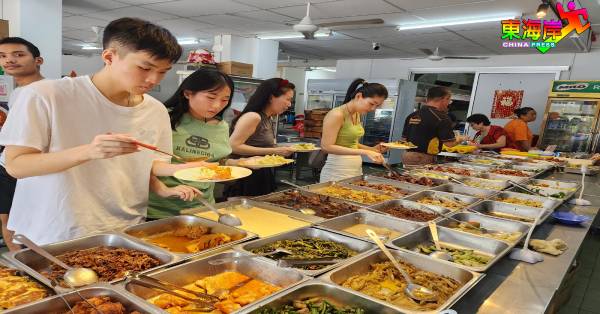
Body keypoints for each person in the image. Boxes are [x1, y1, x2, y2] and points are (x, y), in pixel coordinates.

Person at [0, 18, 201, 245]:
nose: (153, 80)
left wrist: (185, 169)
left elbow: (149, 163)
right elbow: (17, 165)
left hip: (127, 227)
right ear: (109, 57)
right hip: (56, 230)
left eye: (163, 71)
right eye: (144, 68)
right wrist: (89, 151)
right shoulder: (45, 95)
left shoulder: (155, 110)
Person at [148, 69, 249, 218]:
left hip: (203, 207)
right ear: (188, 93)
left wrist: (239, 162)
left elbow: (215, 161)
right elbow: (142, 164)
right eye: (211, 97)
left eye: (224, 100)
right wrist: (163, 189)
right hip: (159, 208)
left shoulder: (221, 126)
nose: (217, 106)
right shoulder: (163, 118)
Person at [0, 37, 45, 251]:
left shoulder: (48, 91)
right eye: (3, 56)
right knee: (7, 220)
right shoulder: (17, 92)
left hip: (32, 168)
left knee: (32, 223)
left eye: (18, 54)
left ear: (38, 60)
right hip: (6, 166)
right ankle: (19, 269)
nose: (9, 60)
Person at [227, 78, 296, 197]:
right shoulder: (253, 117)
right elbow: (233, 146)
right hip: (246, 175)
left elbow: (261, 144)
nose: (289, 104)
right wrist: (274, 151)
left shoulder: (268, 118)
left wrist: (280, 149)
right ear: (271, 97)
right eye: (288, 99)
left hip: (261, 173)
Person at [319, 78, 387, 183]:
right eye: (371, 104)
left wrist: (372, 150)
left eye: (377, 106)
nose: (373, 109)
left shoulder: (356, 114)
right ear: (358, 96)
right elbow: (326, 147)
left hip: (354, 170)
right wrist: (365, 152)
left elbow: (350, 143)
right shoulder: (337, 114)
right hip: (336, 172)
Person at [401, 86, 466, 166]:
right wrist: (461, 139)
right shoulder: (442, 117)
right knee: (420, 178)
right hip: (423, 158)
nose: (448, 103)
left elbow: (403, 139)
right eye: (449, 100)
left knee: (408, 177)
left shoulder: (412, 115)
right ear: (444, 98)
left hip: (407, 156)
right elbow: (449, 144)